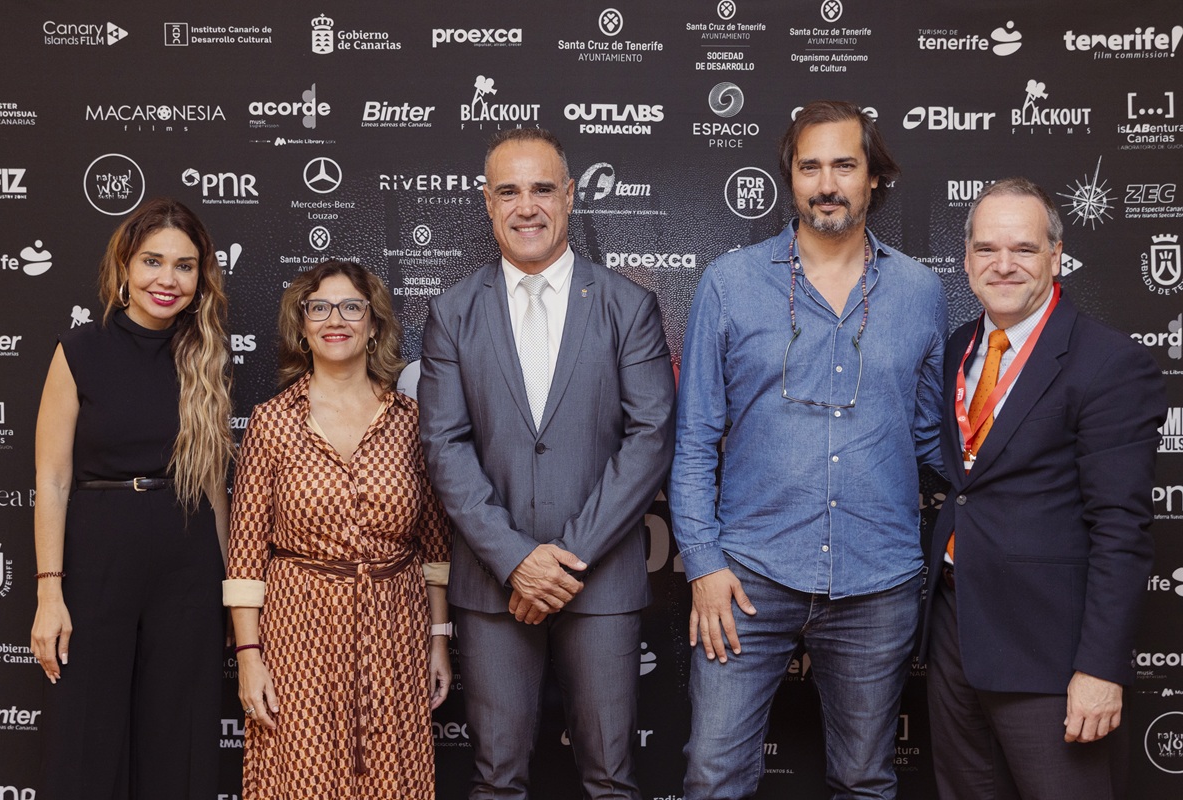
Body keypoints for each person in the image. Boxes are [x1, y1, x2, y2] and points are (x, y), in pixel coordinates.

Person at [670, 99, 947, 799]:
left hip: (878, 580)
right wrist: (703, 563)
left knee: (863, 779)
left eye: (844, 165)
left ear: (873, 177)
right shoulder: (730, 283)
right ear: (790, 177)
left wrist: (1031, 468)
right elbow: (695, 437)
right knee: (713, 774)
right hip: (747, 579)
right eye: (810, 166)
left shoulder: (920, 291)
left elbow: (930, 435)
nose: (827, 184)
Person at [419, 127, 675, 799]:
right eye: (509, 191)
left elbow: (651, 436)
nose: (526, 207)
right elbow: (444, 445)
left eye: (541, 189)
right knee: (496, 778)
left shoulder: (627, 305)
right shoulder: (452, 312)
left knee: (610, 778)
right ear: (487, 202)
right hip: (493, 585)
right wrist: (516, 560)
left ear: (569, 196)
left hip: (602, 580)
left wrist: (563, 560)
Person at [921, 178, 1167, 800]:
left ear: (1056, 256)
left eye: (1024, 249)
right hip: (955, 632)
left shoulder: (1108, 363)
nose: (1003, 265)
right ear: (966, 259)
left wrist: (1100, 669)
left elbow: (1121, 529)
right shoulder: (959, 348)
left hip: (1050, 654)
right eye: (986, 249)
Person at [30, 197, 234, 799]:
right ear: (124, 265)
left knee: (180, 739)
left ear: (200, 278)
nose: (167, 279)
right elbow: (52, 479)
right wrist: (49, 593)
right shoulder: (79, 350)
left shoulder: (205, 356)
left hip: (187, 566)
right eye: (152, 261)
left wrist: (227, 587)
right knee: (85, 738)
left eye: (184, 266)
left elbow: (213, 486)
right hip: (97, 563)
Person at [224, 259, 451, 799]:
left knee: (391, 780)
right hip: (298, 631)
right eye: (319, 307)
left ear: (373, 326)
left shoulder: (411, 421)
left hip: (395, 629)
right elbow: (246, 552)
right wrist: (249, 656)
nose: (335, 319)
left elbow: (434, 546)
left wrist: (438, 640)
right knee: (304, 778)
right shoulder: (271, 421)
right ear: (301, 327)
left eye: (352, 307)